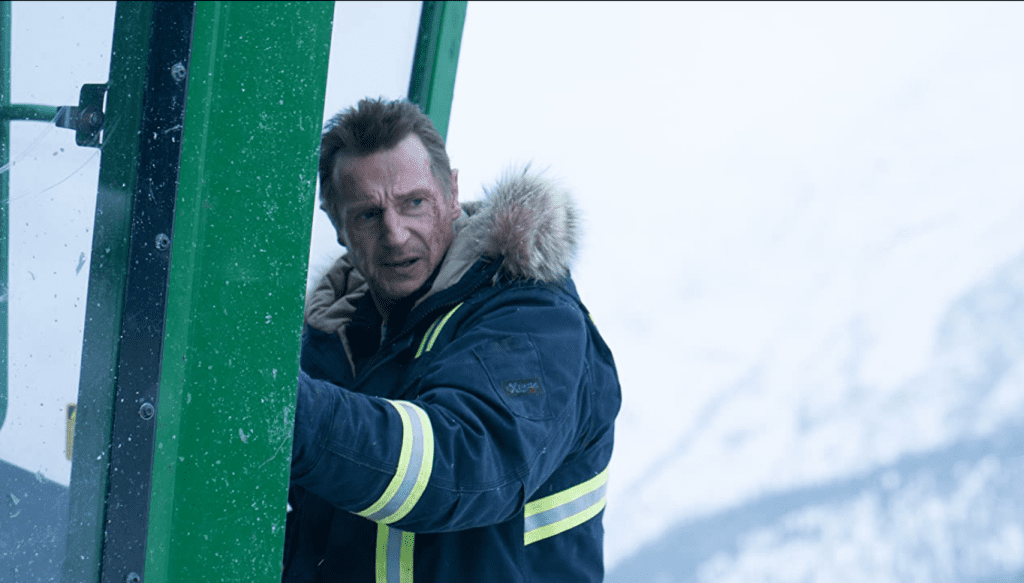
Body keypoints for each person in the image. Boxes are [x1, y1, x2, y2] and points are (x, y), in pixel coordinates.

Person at [284, 97, 621, 582]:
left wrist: (283, 406)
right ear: (337, 225)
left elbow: (464, 464)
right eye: (368, 215)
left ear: (452, 193)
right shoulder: (331, 343)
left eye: (414, 203)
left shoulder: (531, 321)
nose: (396, 234)